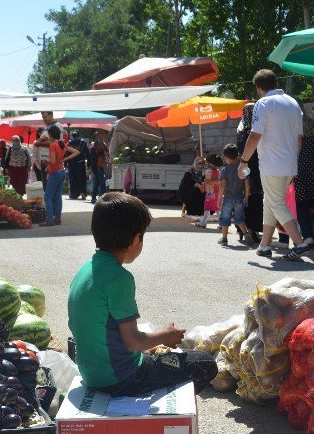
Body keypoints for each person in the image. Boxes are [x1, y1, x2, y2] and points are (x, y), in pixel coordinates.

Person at [67, 192, 217, 396]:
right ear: (136, 238)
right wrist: (166, 336)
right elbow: (133, 342)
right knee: (204, 363)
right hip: (121, 378)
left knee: (172, 359)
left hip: (92, 373)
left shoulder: (85, 270)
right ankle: (165, 409)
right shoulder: (119, 278)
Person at [238, 69, 311, 261]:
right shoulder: (293, 103)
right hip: (289, 164)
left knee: (276, 203)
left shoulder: (263, 103)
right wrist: (292, 159)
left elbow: (254, 135)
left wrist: (243, 161)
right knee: (270, 202)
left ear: (258, 88)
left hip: (272, 164)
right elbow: (299, 138)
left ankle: (300, 243)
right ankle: (264, 246)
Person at [293, 100, 314, 245]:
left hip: (298, 167)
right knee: (310, 203)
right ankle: (311, 234)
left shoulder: (294, 125)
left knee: (300, 203)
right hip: (311, 166)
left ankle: (306, 234)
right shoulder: (311, 122)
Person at [38, 125, 79, 226]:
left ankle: (50, 219)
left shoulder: (53, 145)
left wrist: (45, 159)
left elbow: (52, 161)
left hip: (55, 173)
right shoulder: (62, 144)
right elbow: (77, 152)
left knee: (48, 196)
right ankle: (57, 219)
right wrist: (64, 160)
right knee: (57, 196)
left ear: (50, 134)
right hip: (61, 171)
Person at [235, 102, 263, 242]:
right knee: (255, 198)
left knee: (244, 197)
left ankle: (242, 229)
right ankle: (252, 230)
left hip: (244, 166)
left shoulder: (240, 128)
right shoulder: (253, 129)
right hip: (255, 166)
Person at [218, 144, 253, 247]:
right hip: (239, 198)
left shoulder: (225, 170)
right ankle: (246, 234)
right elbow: (247, 184)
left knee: (225, 218)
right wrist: (246, 197)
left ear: (225, 157)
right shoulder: (243, 169)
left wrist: (219, 199)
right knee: (239, 218)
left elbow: (222, 186)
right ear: (238, 156)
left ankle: (224, 239)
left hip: (228, 198)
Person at [195, 153, 222, 228]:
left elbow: (218, 181)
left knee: (207, 207)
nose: (206, 164)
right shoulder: (214, 171)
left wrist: (208, 182)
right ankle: (221, 223)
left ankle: (203, 223)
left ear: (212, 163)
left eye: (207, 162)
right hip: (213, 192)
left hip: (212, 192)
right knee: (216, 208)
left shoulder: (215, 171)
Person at [66, 131, 90, 199]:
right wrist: (89, 163)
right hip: (81, 163)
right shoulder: (83, 142)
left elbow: (66, 154)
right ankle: (83, 192)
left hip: (72, 163)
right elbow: (87, 153)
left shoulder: (69, 143)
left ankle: (74, 194)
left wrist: (65, 163)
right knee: (82, 178)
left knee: (73, 179)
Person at [90, 131, 109, 204]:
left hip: (96, 167)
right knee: (101, 182)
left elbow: (92, 159)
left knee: (98, 182)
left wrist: (93, 168)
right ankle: (104, 197)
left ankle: (94, 197)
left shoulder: (94, 146)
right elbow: (107, 152)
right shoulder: (102, 145)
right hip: (101, 166)